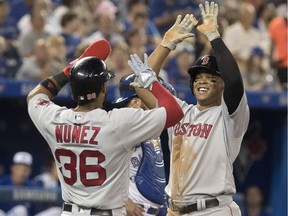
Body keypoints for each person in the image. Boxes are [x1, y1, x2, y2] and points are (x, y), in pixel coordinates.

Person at [26, 38, 184, 215]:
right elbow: (175, 112)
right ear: (103, 89)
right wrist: (150, 80)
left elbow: (36, 95)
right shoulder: (118, 122)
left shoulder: (54, 118)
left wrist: (69, 70)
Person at [135, 1, 250, 215]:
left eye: (210, 77)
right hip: (175, 209)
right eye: (198, 77)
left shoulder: (229, 116)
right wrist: (166, 44)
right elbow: (141, 85)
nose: (202, 81)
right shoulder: (179, 112)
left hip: (213, 209)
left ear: (222, 84)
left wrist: (214, 36)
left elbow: (235, 82)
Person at [112, 74, 170, 216]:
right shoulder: (122, 126)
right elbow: (101, 168)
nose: (156, 102)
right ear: (136, 102)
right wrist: (123, 201)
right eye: (151, 97)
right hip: (132, 210)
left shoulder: (150, 125)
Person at [0, 151, 39, 216]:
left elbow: (36, 210)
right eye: (18, 168)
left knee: (21, 210)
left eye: (25, 170)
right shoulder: (2, 183)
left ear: (29, 171)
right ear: (12, 168)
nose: (21, 173)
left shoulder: (33, 186)